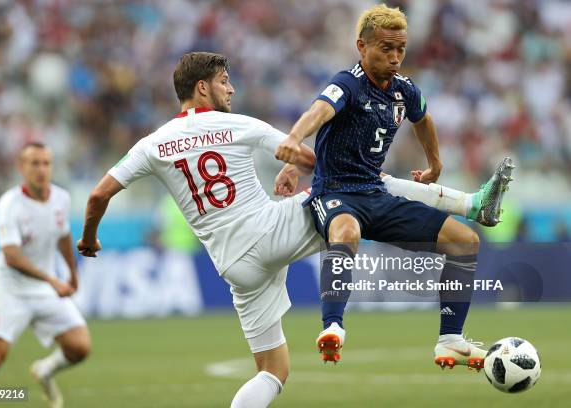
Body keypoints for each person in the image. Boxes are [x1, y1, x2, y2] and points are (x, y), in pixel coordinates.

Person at [77, 51, 511, 407]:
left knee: (272, 371)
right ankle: (470, 203)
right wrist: (293, 166)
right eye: (225, 80)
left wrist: (89, 238)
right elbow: (307, 157)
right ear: (202, 87)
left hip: (232, 266)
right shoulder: (236, 123)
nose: (232, 88)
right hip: (269, 231)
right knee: (359, 182)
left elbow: (98, 196)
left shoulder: (151, 144)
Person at [275, 4, 514, 367]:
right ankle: (333, 327)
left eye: (400, 49)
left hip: (376, 193)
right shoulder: (348, 83)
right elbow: (319, 110)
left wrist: (435, 163)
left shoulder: (403, 90)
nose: (395, 57)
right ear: (362, 46)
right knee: (345, 230)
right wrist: (294, 139)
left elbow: (424, 119)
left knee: (464, 241)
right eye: (386, 49)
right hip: (336, 192)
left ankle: (450, 339)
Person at [0, 143, 91, 408]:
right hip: (12, 289)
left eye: (46, 163)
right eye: (34, 163)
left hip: (45, 289)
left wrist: (71, 274)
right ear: (21, 168)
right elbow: (12, 256)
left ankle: (44, 370)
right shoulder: (10, 204)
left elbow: (64, 235)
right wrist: (53, 279)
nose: (41, 169)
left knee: (80, 347)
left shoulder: (61, 198)